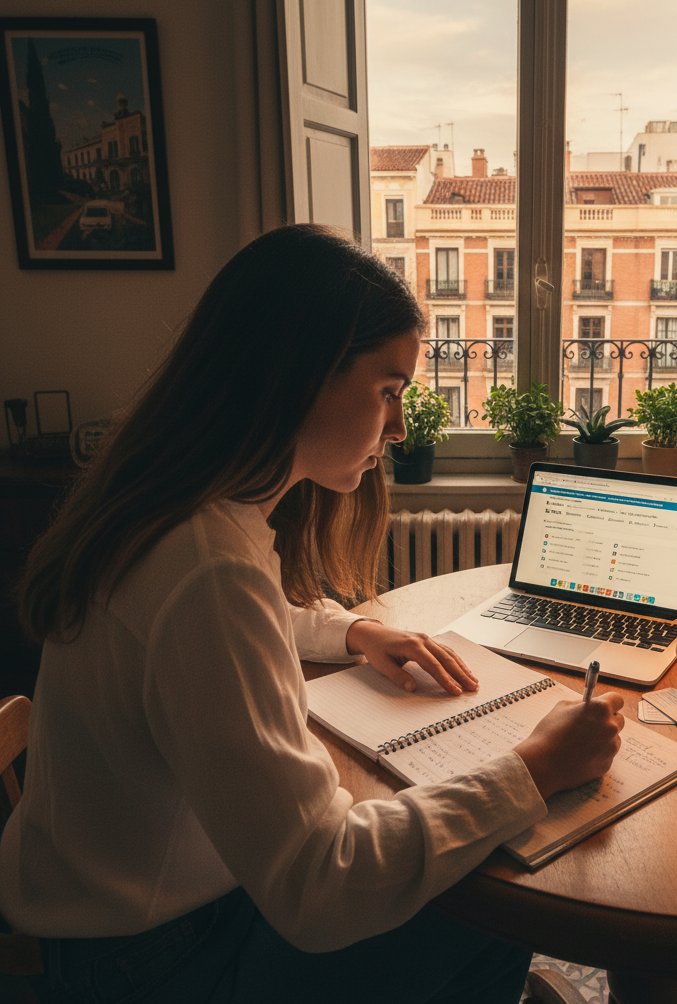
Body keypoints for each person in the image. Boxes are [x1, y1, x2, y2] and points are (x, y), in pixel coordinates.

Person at [0, 224, 625, 1004]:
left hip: (98, 925)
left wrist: (355, 629)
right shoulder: (207, 573)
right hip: (152, 965)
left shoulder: (179, 513)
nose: (398, 429)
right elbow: (315, 885)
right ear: (299, 376)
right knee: (490, 909)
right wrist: (535, 766)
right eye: (389, 390)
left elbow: (245, 624)